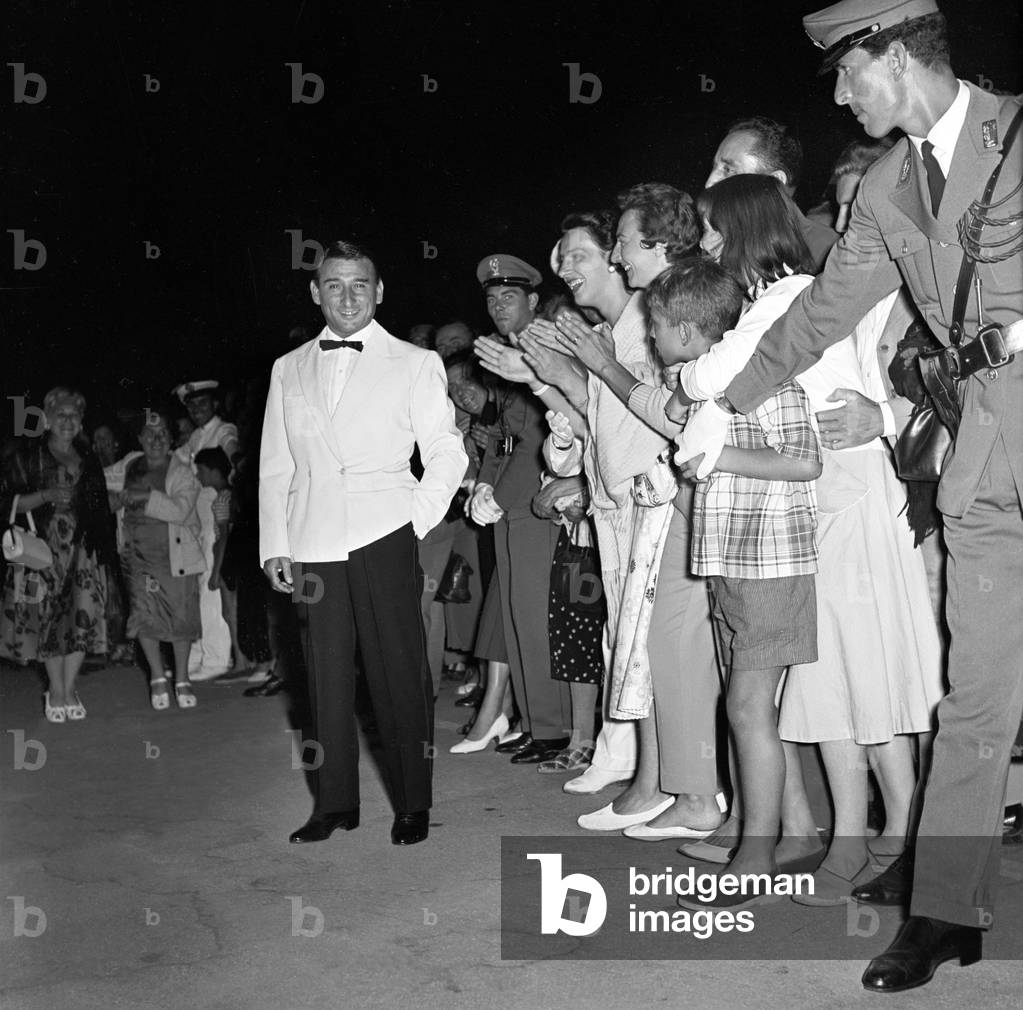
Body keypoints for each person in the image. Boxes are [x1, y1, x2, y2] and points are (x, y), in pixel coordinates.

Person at [684, 0, 1022, 992]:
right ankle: (948, 909)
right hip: (982, 448)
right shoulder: (880, 186)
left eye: (847, 71)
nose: (837, 93)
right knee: (976, 690)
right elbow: (821, 319)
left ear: (896, 59)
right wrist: (729, 408)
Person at [672, 174, 944, 903]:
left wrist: (690, 383)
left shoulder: (789, 298)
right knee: (842, 676)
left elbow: (714, 380)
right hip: (821, 493)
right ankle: (870, 838)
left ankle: (874, 840)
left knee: (858, 673)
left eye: (710, 229)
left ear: (742, 230)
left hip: (847, 491)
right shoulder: (783, 299)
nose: (702, 244)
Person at [259, 239, 466, 847]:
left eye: (359, 285)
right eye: (334, 285)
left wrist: (415, 519)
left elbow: (447, 452)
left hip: (383, 533)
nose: (347, 297)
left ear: (378, 292)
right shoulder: (288, 366)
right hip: (314, 540)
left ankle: (412, 803)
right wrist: (277, 541)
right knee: (322, 679)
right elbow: (276, 466)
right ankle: (334, 804)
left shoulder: (414, 361)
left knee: (397, 672)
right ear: (315, 292)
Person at [546, 190, 726, 837]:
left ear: (655, 245)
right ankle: (655, 783)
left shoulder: (674, 305)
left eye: (618, 243)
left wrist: (583, 370)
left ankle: (672, 787)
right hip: (633, 498)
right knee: (640, 646)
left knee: (661, 646)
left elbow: (667, 411)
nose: (618, 257)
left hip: (661, 495)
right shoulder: (645, 311)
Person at [651, 258, 823, 914]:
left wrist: (715, 457)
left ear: (691, 334)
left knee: (749, 708)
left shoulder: (764, 379)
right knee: (747, 708)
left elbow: (804, 458)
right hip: (731, 561)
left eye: (659, 327)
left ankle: (755, 854)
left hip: (769, 566)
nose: (653, 338)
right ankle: (791, 835)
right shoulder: (709, 390)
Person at [466, 254, 573, 765]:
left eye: (508, 296)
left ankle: (552, 727)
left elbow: (537, 434)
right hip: (510, 500)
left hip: (537, 501)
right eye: (490, 298)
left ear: (533, 300)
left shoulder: (544, 346)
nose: (497, 305)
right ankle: (534, 722)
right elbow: (498, 437)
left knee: (535, 619)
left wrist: (500, 496)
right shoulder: (502, 352)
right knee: (514, 618)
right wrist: (482, 488)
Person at [1, 387, 116, 721]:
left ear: (81, 423)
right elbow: (8, 501)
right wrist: (44, 495)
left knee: (83, 618)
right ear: (47, 419)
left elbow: (100, 509)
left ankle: (69, 688)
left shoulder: (89, 459)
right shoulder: (28, 456)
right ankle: (56, 690)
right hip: (44, 552)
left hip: (83, 551)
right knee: (50, 621)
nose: (67, 420)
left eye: (74, 415)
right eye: (60, 414)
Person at [110, 410, 204, 710]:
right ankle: (156, 675)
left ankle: (182, 677)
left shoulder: (183, 471)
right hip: (137, 557)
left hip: (175, 557)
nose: (156, 439)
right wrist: (112, 499)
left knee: (180, 615)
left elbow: (180, 511)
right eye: (149, 433)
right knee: (144, 615)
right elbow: (97, 486)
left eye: (163, 432)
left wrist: (143, 496)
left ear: (171, 437)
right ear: (139, 438)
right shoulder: (128, 464)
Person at [705, 115, 838, 271]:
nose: (710, 183)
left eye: (728, 170)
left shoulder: (829, 252)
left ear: (775, 182)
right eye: (714, 167)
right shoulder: (719, 237)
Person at [173, 380, 237, 680]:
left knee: (212, 594)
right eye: (191, 405)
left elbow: (233, 452)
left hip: (216, 521)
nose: (197, 410)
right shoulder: (195, 437)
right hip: (196, 524)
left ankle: (217, 660)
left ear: (214, 404)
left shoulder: (223, 430)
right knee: (198, 595)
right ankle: (198, 655)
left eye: (202, 403)